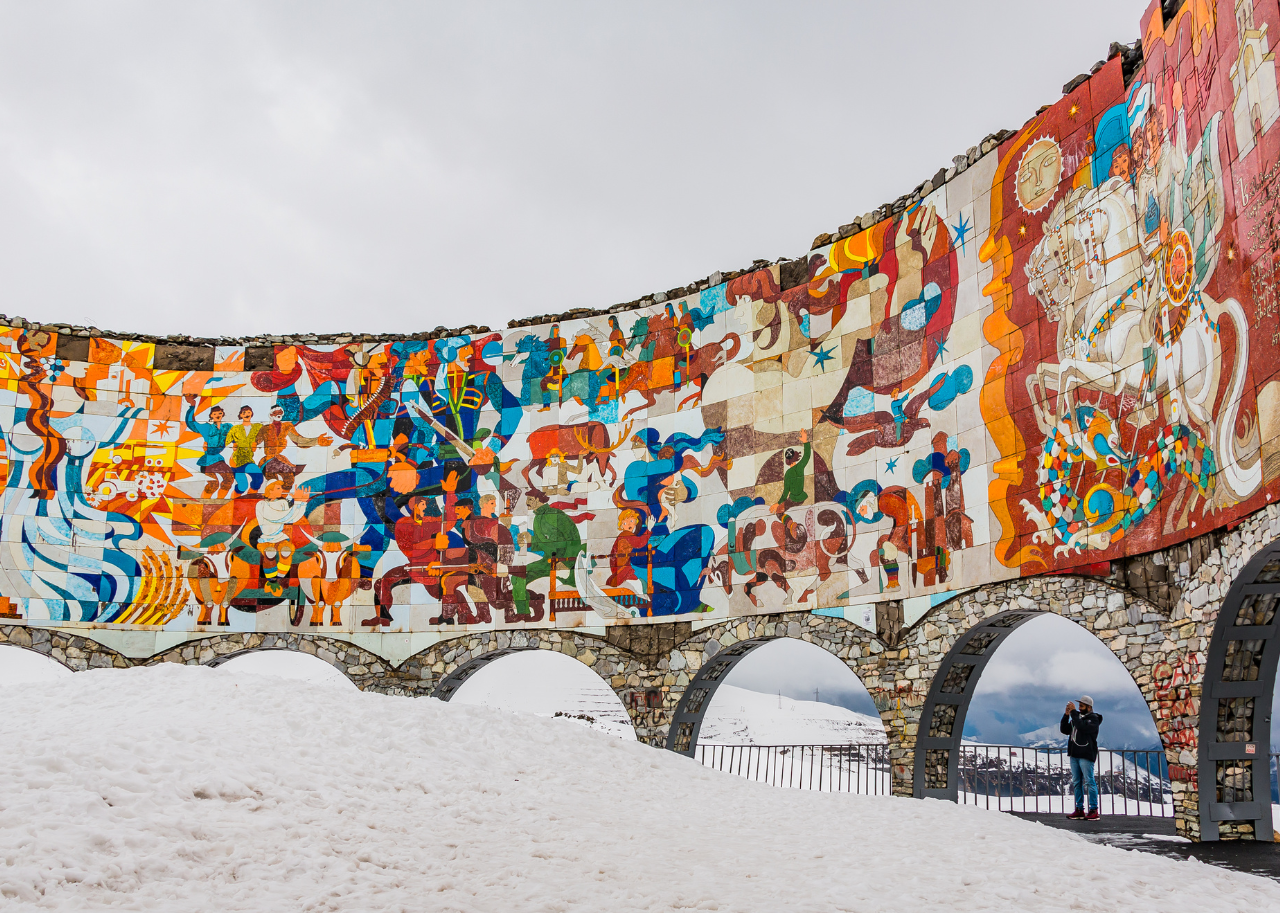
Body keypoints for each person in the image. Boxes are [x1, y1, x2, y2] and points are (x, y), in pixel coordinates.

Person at [1061, 696, 1104, 820]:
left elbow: (1082, 727)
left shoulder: (1093, 719)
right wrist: (1066, 715)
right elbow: (1065, 730)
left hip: (1086, 754)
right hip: (1074, 754)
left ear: (1089, 707)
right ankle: (1079, 809)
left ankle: (1094, 809)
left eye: (1081, 706)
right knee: (1077, 782)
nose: (1079, 708)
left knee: (1089, 781)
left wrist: (1073, 712)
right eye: (1078, 706)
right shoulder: (1077, 718)